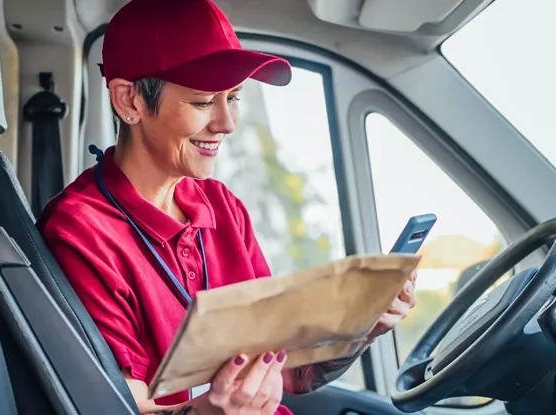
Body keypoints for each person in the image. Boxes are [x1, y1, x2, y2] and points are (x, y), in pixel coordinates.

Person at [37, 0, 417, 413]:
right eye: (203, 103)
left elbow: (288, 372)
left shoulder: (223, 207)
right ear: (130, 101)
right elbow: (117, 407)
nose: (227, 122)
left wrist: (363, 328)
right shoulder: (80, 232)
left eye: (233, 97)